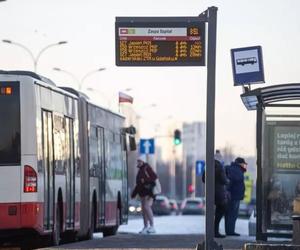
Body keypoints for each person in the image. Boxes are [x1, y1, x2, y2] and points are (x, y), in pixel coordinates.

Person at [202, 159, 230, 238]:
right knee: (220, 212)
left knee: (210, 214)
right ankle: (215, 231)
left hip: (209, 193)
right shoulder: (220, 168)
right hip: (219, 193)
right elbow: (224, 180)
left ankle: (211, 232)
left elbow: (203, 179)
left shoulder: (207, 168)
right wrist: (228, 180)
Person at [131, 157, 157, 234]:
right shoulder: (140, 171)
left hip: (149, 192)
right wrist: (134, 194)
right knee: (144, 209)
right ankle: (145, 227)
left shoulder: (147, 168)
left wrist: (145, 180)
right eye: (138, 161)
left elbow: (154, 178)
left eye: (139, 161)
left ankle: (152, 226)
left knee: (146, 207)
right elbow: (138, 184)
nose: (138, 163)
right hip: (143, 193)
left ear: (143, 162)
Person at [225, 157, 247, 236]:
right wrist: (228, 191)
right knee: (232, 214)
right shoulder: (236, 170)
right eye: (243, 164)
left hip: (233, 195)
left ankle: (229, 231)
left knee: (229, 214)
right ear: (240, 164)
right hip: (234, 196)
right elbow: (231, 182)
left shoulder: (234, 169)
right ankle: (230, 231)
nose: (245, 166)